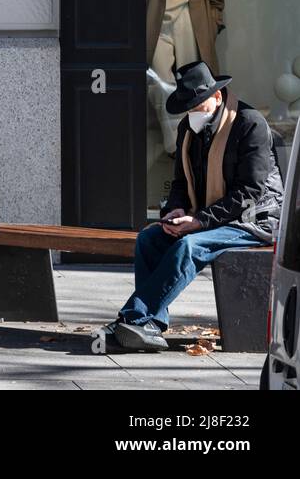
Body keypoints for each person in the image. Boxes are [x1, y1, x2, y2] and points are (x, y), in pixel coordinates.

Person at [103, 60, 285, 351]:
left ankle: (134, 318)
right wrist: (175, 210)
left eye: (197, 106)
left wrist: (199, 221)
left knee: (189, 247)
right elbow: (179, 183)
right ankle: (152, 324)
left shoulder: (250, 124)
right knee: (149, 239)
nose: (192, 114)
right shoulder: (189, 128)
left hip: (254, 220)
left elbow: (249, 192)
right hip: (213, 215)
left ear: (216, 97)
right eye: (189, 108)